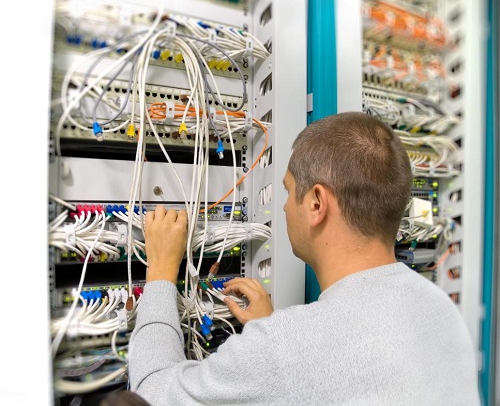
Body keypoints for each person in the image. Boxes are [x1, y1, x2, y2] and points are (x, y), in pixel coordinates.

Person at [129, 112, 480, 405]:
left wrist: (160, 271)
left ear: (316, 204)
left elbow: (148, 394)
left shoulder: (283, 350)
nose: (282, 206)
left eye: (287, 189)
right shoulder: (440, 308)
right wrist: (269, 333)